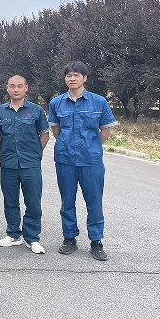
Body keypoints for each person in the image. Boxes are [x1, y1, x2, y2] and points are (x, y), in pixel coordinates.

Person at [48, 61, 117, 261]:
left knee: (94, 202)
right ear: (65, 79)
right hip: (65, 160)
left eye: (76, 75)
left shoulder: (99, 102)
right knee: (67, 201)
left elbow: (106, 131)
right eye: (69, 75)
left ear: (84, 78)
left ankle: (96, 241)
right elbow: (56, 131)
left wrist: (91, 146)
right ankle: (69, 238)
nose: (72, 79)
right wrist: (69, 146)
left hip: (91, 161)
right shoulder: (56, 103)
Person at [0, 75, 50, 254]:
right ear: (7, 88)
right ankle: (13, 234)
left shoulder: (36, 110)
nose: (16, 89)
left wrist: (35, 153)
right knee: (10, 200)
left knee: (33, 202)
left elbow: (44, 135)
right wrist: (7, 150)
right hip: (8, 163)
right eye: (12, 86)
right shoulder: (0, 111)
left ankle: (32, 238)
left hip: (30, 163)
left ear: (26, 88)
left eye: (19, 86)